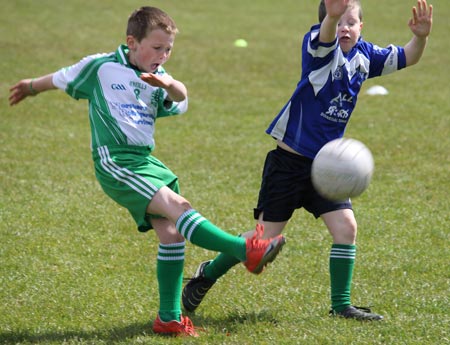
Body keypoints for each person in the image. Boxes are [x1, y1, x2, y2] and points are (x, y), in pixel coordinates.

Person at [9, 6, 286, 337]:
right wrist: (30, 86)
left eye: (168, 49)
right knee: (178, 208)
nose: (163, 55)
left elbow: (181, 97)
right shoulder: (101, 67)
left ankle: (168, 317)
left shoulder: (159, 78)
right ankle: (246, 250)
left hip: (144, 162)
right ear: (132, 42)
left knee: (172, 234)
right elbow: (60, 77)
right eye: (157, 48)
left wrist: (168, 84)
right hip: (115, 161)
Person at [182, 0, 433, 321]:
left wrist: (421, 37)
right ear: (326, 23)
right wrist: (331, 16)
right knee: (262, 241)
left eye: (351, 22)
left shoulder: (366, 56)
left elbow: (409, 56)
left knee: (346, 227)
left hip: (327, 168)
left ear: (361, 27)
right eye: (338, 22)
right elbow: (326, 34)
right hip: (288, 164)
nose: (345, 27)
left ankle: (341, 306)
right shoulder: (319, 49)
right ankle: (207, 274)